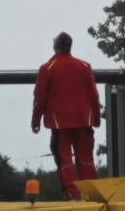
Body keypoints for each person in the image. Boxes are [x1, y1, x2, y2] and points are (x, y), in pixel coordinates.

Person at [31, 31, 100, 192]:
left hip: (59, 122)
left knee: (64, 158)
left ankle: (72, 192)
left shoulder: (48, 68)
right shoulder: (84, 66)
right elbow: (94, 95)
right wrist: (96, 117)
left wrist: (35, 121)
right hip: (84, 120)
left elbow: (39, 98)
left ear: (56, 46)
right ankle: (90, 192)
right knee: (86, 158)